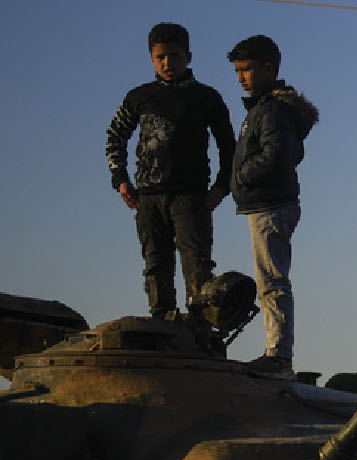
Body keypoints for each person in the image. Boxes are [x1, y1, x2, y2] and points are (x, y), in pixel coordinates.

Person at [106, 22, 236, 321]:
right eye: (160, 57)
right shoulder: (139, 96)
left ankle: (199, 329)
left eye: (174, 56)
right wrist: (121, 180)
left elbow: (229, 146)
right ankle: (162, 323)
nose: (167, 63)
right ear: (152, 58)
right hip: (147, 197)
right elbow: (115, 136)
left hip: (191, 197)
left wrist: (221, 187)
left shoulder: (206, 97)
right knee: (155, 264)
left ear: (188, 57)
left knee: (197, 264)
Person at [227, 34, 318, 379]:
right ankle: (276, 353)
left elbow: (276, 154)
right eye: (237, 71)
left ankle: (278, 357)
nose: (240, 78)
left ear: (268, 66)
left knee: (272, 282)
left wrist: (242, 175)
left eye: (246, 69)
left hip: (271, 205)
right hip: (267, 204)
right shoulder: (264, 108)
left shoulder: (272, 109)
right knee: (270, 280)